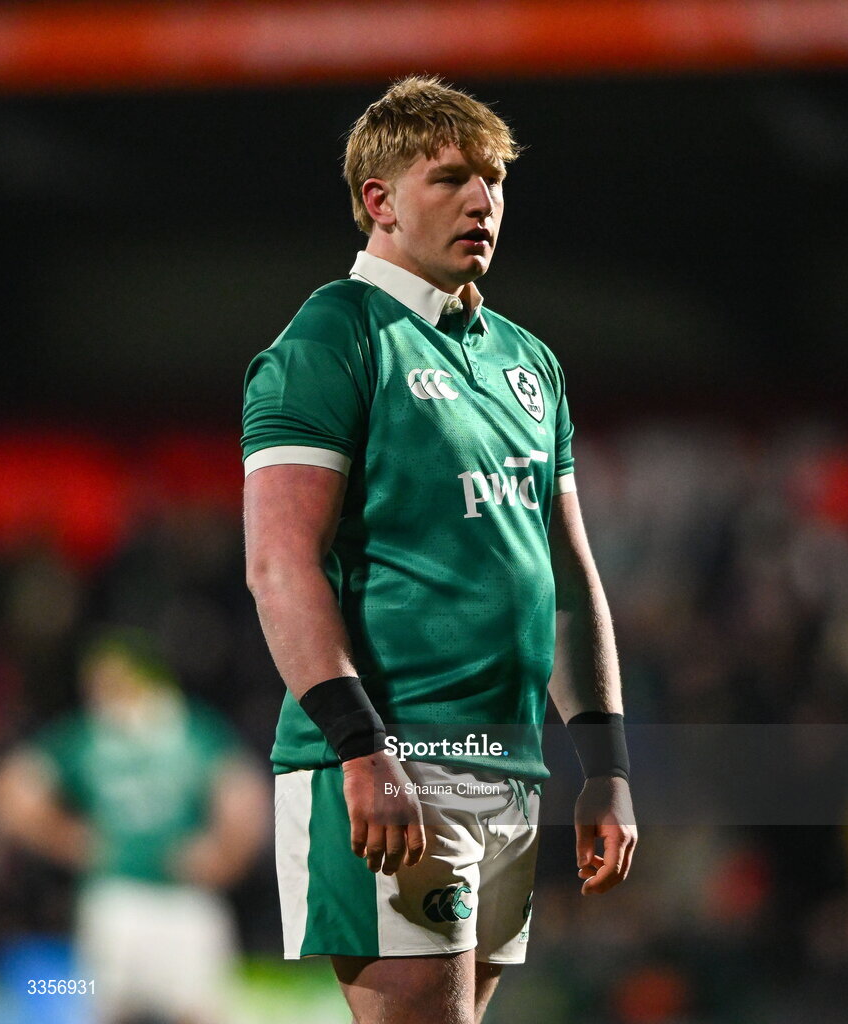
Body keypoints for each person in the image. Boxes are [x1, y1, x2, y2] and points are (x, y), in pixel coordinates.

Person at [242, 75, 637, 1024]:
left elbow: (568, 579)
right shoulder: (332, 337)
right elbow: (279, 562)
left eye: (495, 181)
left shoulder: (527, 360)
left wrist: (609, 764)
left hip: (508, 764)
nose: (482, 202)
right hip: (396, 763)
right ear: (379, 201)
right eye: (451, 178)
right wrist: (360, 747)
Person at [0, 628, 270, 1024]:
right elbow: (11, 791)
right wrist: (69, 839)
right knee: (112, 1010)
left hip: (184, 897)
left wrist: (225, 856)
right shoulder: (86, 734)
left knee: (201, 1011)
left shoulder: (190, 728)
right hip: (115, 895)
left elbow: (243, 793)